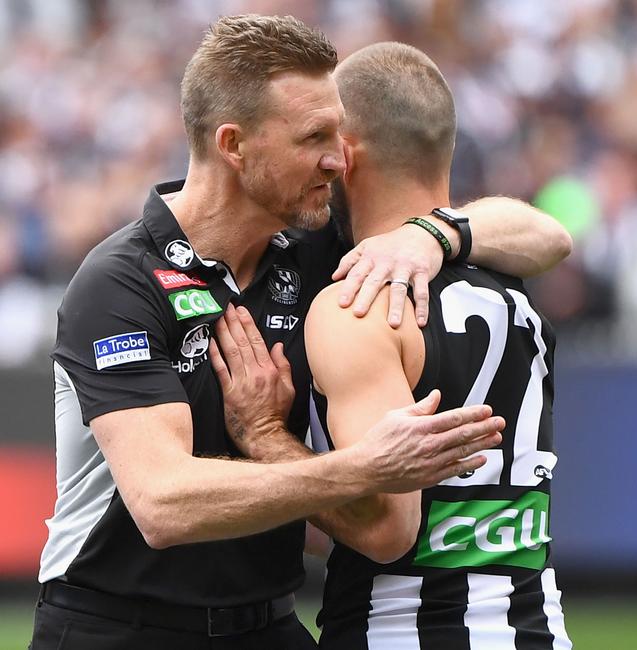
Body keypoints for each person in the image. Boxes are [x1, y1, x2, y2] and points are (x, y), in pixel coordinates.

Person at [32, 15, 570, 650]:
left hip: (270, 624)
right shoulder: (120, 283)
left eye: (339, 135)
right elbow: (164, 504)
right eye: (314, 136)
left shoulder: (313, 248)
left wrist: (432, 234)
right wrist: (356, 468)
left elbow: (548, 238)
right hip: (119, 625)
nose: (334, 158)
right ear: (233, 145)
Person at [300, 43, 572, 648]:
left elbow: (386, 529)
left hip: (397, 632)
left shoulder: (359, 303)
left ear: (345, 157)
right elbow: (554, 236)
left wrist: (262, 443)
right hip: (538, 630)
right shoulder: (512, 289)